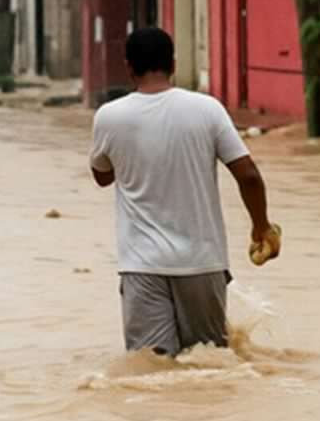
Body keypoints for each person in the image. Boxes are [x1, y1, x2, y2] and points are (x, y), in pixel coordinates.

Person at [88, 27, 272, 356]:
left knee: (151, 372)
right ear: (173, 64)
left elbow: (102, 177)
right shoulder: (208, 110)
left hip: (142, 267)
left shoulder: (109, 117)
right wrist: (261, 226)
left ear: (129, 67)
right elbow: (249, 176)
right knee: (210, 367)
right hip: (203, 263)